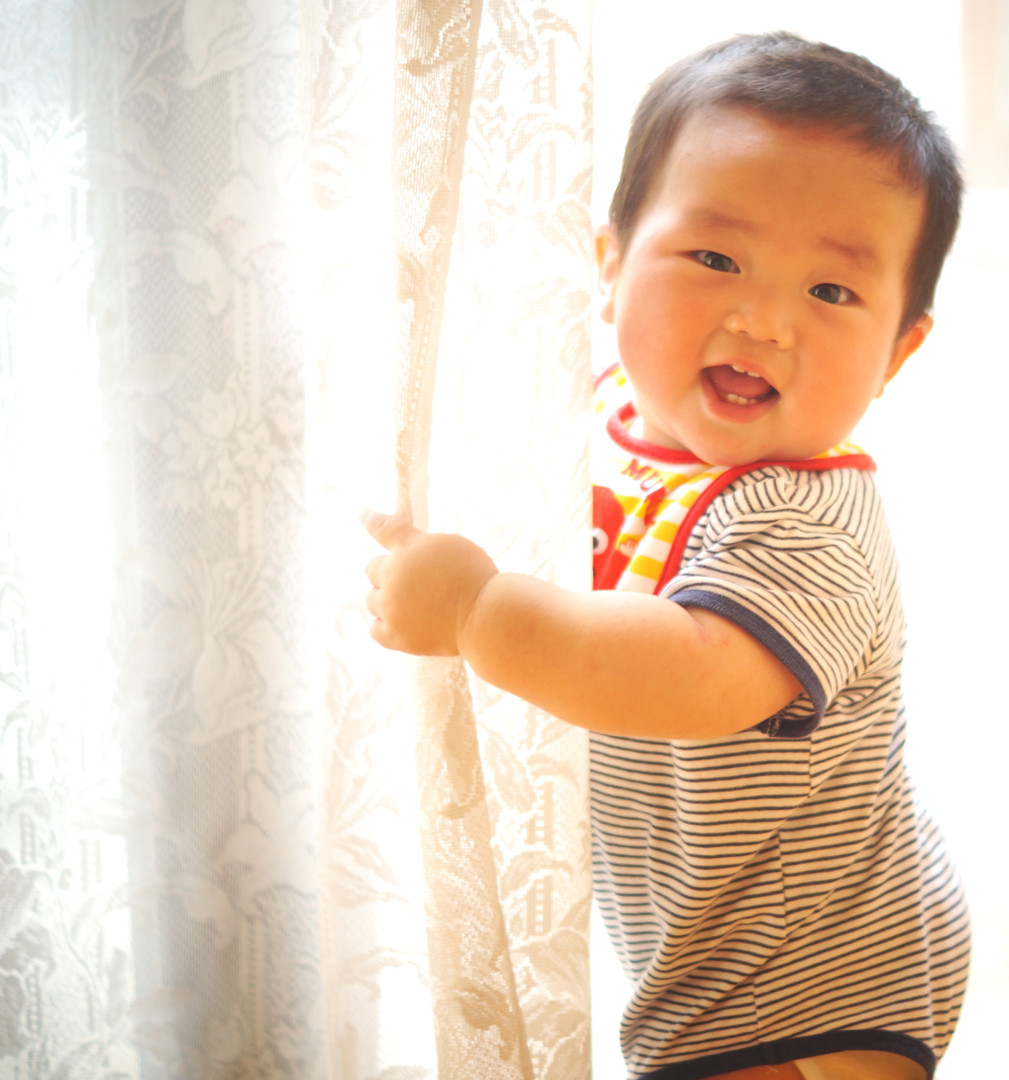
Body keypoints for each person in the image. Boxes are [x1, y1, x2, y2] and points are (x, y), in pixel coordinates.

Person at [361, 33, 970, 1080]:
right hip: (705, 947)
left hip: (814, 979)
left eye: (831, 293)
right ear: (609, 267)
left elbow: (689, 674)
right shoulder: (601, 414)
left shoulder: (809, 519)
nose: (763, 321)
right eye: (715, 259)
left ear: (897, 353)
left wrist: (474, 611)